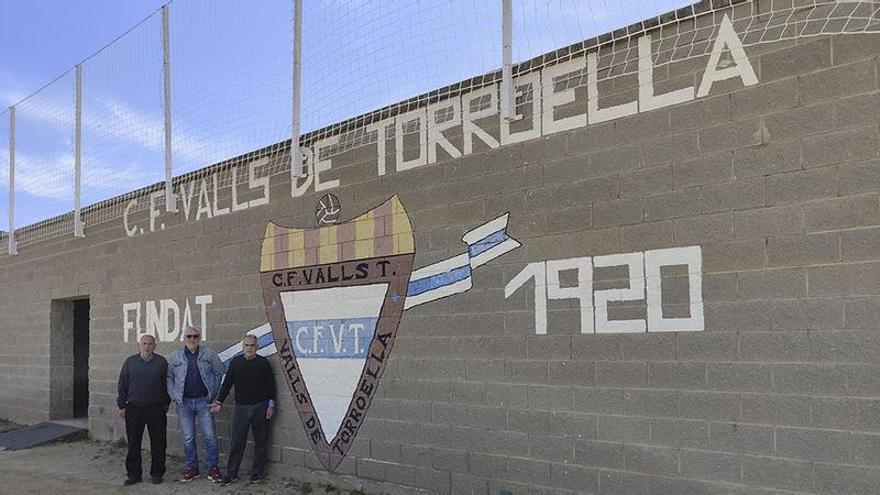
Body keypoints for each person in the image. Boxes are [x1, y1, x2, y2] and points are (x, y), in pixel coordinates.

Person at [211, 334, 277, 485]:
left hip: (261, 407)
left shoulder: (263, 363)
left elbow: (271, 386)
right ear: (242, 347)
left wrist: (271, 406)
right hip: (241, 408)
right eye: (246, 345)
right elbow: (227, 384)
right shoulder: (236, 362)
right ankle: (232, 473)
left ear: (257, 347)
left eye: (252, 345)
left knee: (260, 441)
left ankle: (257, 473)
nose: (249, 348)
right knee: (237, 442)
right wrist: (219, 401)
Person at [166, 326, 224, 483]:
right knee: (188, 437)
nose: (192, 339)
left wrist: (213, 393)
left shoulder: (209, 354)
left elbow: (219, 372)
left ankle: (213, 468)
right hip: (184, 403)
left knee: (210, 437)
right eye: (189, 336)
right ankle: (193, 468)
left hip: (204, 401)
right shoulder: (175, 355)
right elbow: (169, 377)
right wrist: (173, 394)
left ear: (199, 338)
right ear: (184, 338)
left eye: (195, 336)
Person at [116, 333, 170, 486]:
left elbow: (167, 385)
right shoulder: (130, 362)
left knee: (159, 442)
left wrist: (166, 403)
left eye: (150, 344)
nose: (147, 346)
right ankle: (134, 475)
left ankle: (157, 473)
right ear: (139, 345)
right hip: (134, 408)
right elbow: (123, 385)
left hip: (156, 408)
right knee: (133, 443)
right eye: (144, 343)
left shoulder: (161, 362)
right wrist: (121, 405)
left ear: (155, 345)